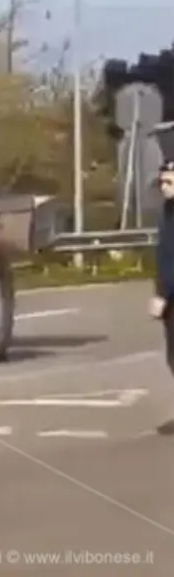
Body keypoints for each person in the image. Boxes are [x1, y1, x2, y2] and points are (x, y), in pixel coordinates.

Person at [149, 160, 174, 435]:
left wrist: (163, 294)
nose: (164, 187)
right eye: (162, 182)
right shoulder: (167, 210)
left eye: (169, 182)